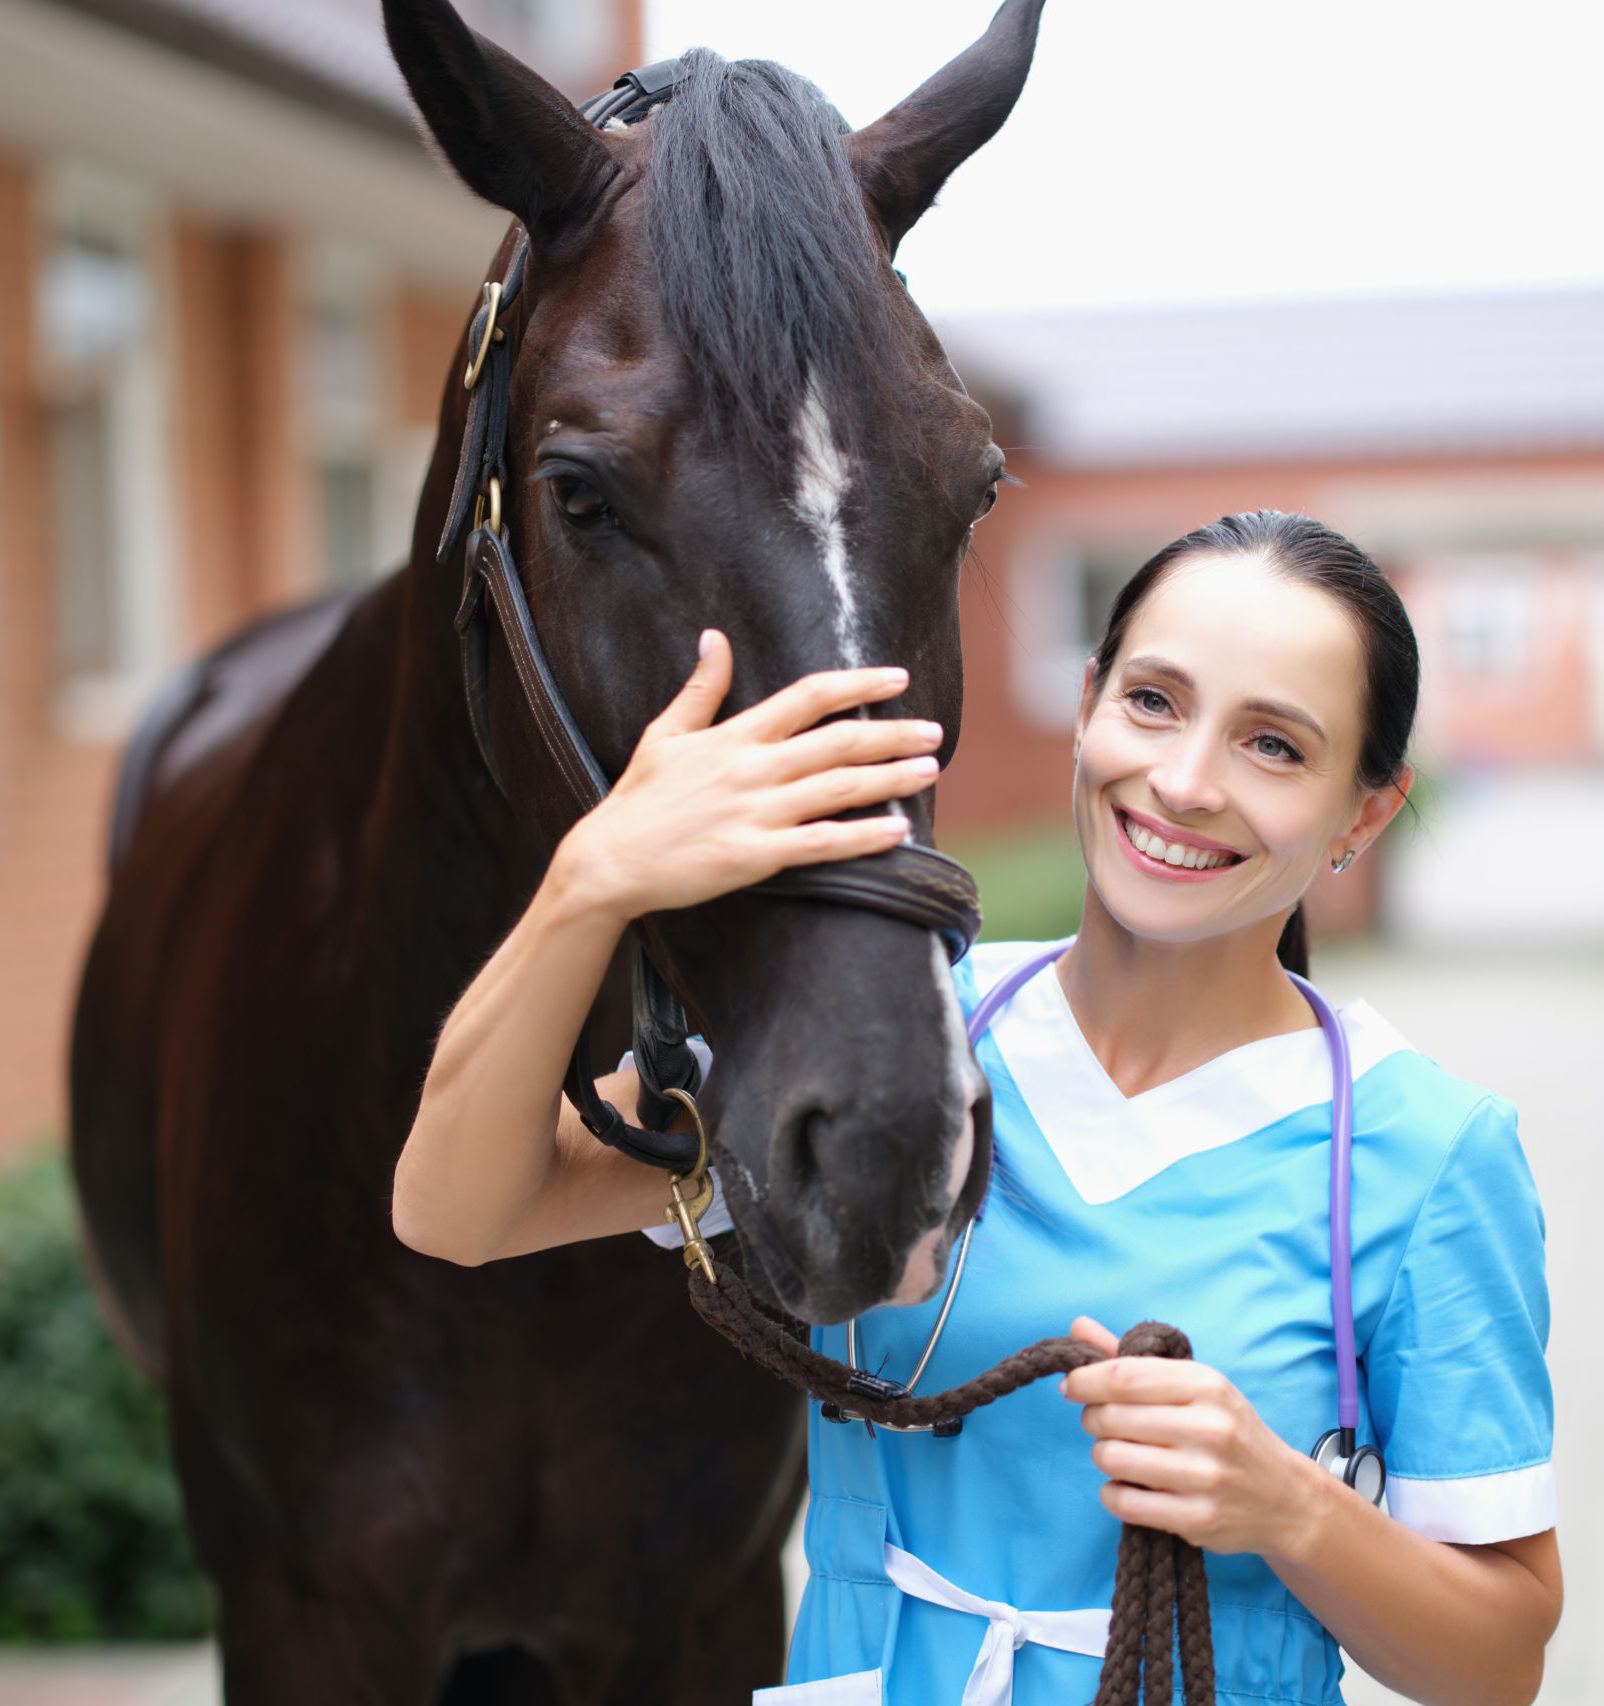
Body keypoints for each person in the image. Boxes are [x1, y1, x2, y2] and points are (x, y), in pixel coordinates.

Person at [394, 511, 1561, 1706]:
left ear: (1362, 815)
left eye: (1272, 745)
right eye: (1152, 702)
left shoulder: (1424, 1155)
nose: (1182, 780)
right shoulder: (888, 1037)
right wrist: (592, 878)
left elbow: (1497, 1661)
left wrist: (1289, 1506)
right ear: (1087, 701)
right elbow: (461, 1206)